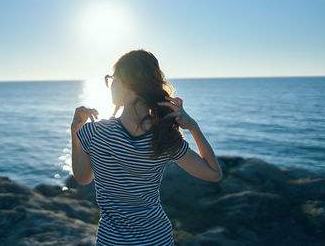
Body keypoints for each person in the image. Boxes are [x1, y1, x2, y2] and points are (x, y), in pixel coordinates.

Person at [70, 49, 223, 245]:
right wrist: (192, 126)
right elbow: (213, 173)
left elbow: (82, 178)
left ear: (124, 82)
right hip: (157, 239)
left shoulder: (93, 132)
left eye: (112, 78)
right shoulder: (165, 136)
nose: (110, 85)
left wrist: (75, 130)